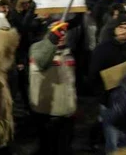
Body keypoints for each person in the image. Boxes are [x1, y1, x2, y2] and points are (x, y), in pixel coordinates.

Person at [90, 14, 126, 153]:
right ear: (114, 29)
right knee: (112, 139)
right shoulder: (102, 49)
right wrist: (103, 95)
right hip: (109, 101)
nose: (124, 31)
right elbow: (94, 75)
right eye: (120, 27)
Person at [28, 22, 77, 154]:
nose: (61, 36)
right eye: (57, 32)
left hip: (67, 110)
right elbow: (41, 61)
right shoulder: (37, 48)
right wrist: (52, 41)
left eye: (63, 33)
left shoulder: (69, 51)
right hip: (47, 112)